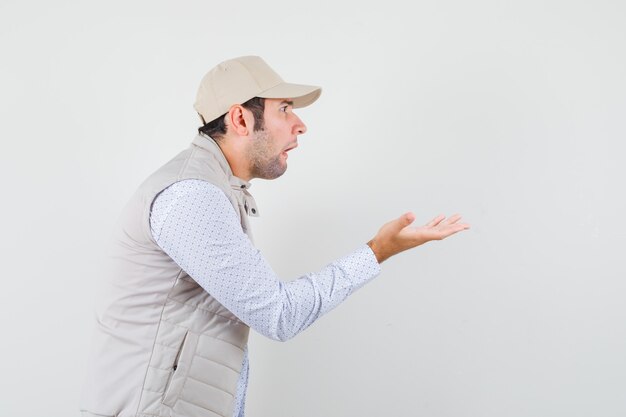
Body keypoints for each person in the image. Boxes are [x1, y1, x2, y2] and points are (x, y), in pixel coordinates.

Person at [80, 55, 470, 417]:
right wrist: (376, 251)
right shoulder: (191, 195)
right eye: (284, 109)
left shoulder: (216, 188)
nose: (300, 124)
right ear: (240, 119)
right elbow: (276, 314)